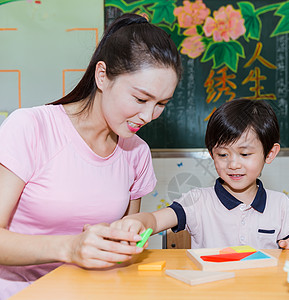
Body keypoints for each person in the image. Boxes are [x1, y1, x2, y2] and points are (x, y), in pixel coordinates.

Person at [0, 13, 182, 298]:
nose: (148, 116)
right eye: (140, 99)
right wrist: (70, 248)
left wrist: (123, 243)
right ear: (102, 76)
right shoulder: (31, 127)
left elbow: (124, 248)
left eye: (161, 104)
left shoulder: (136, 153)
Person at [112, 99, 289, 255]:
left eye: (245, 154)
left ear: (270, 153)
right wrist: (140, 220)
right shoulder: (198, 201)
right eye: (222, 154)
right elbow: (157, 219)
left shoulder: (281, 205)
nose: (233, 164)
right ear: (211, 154)